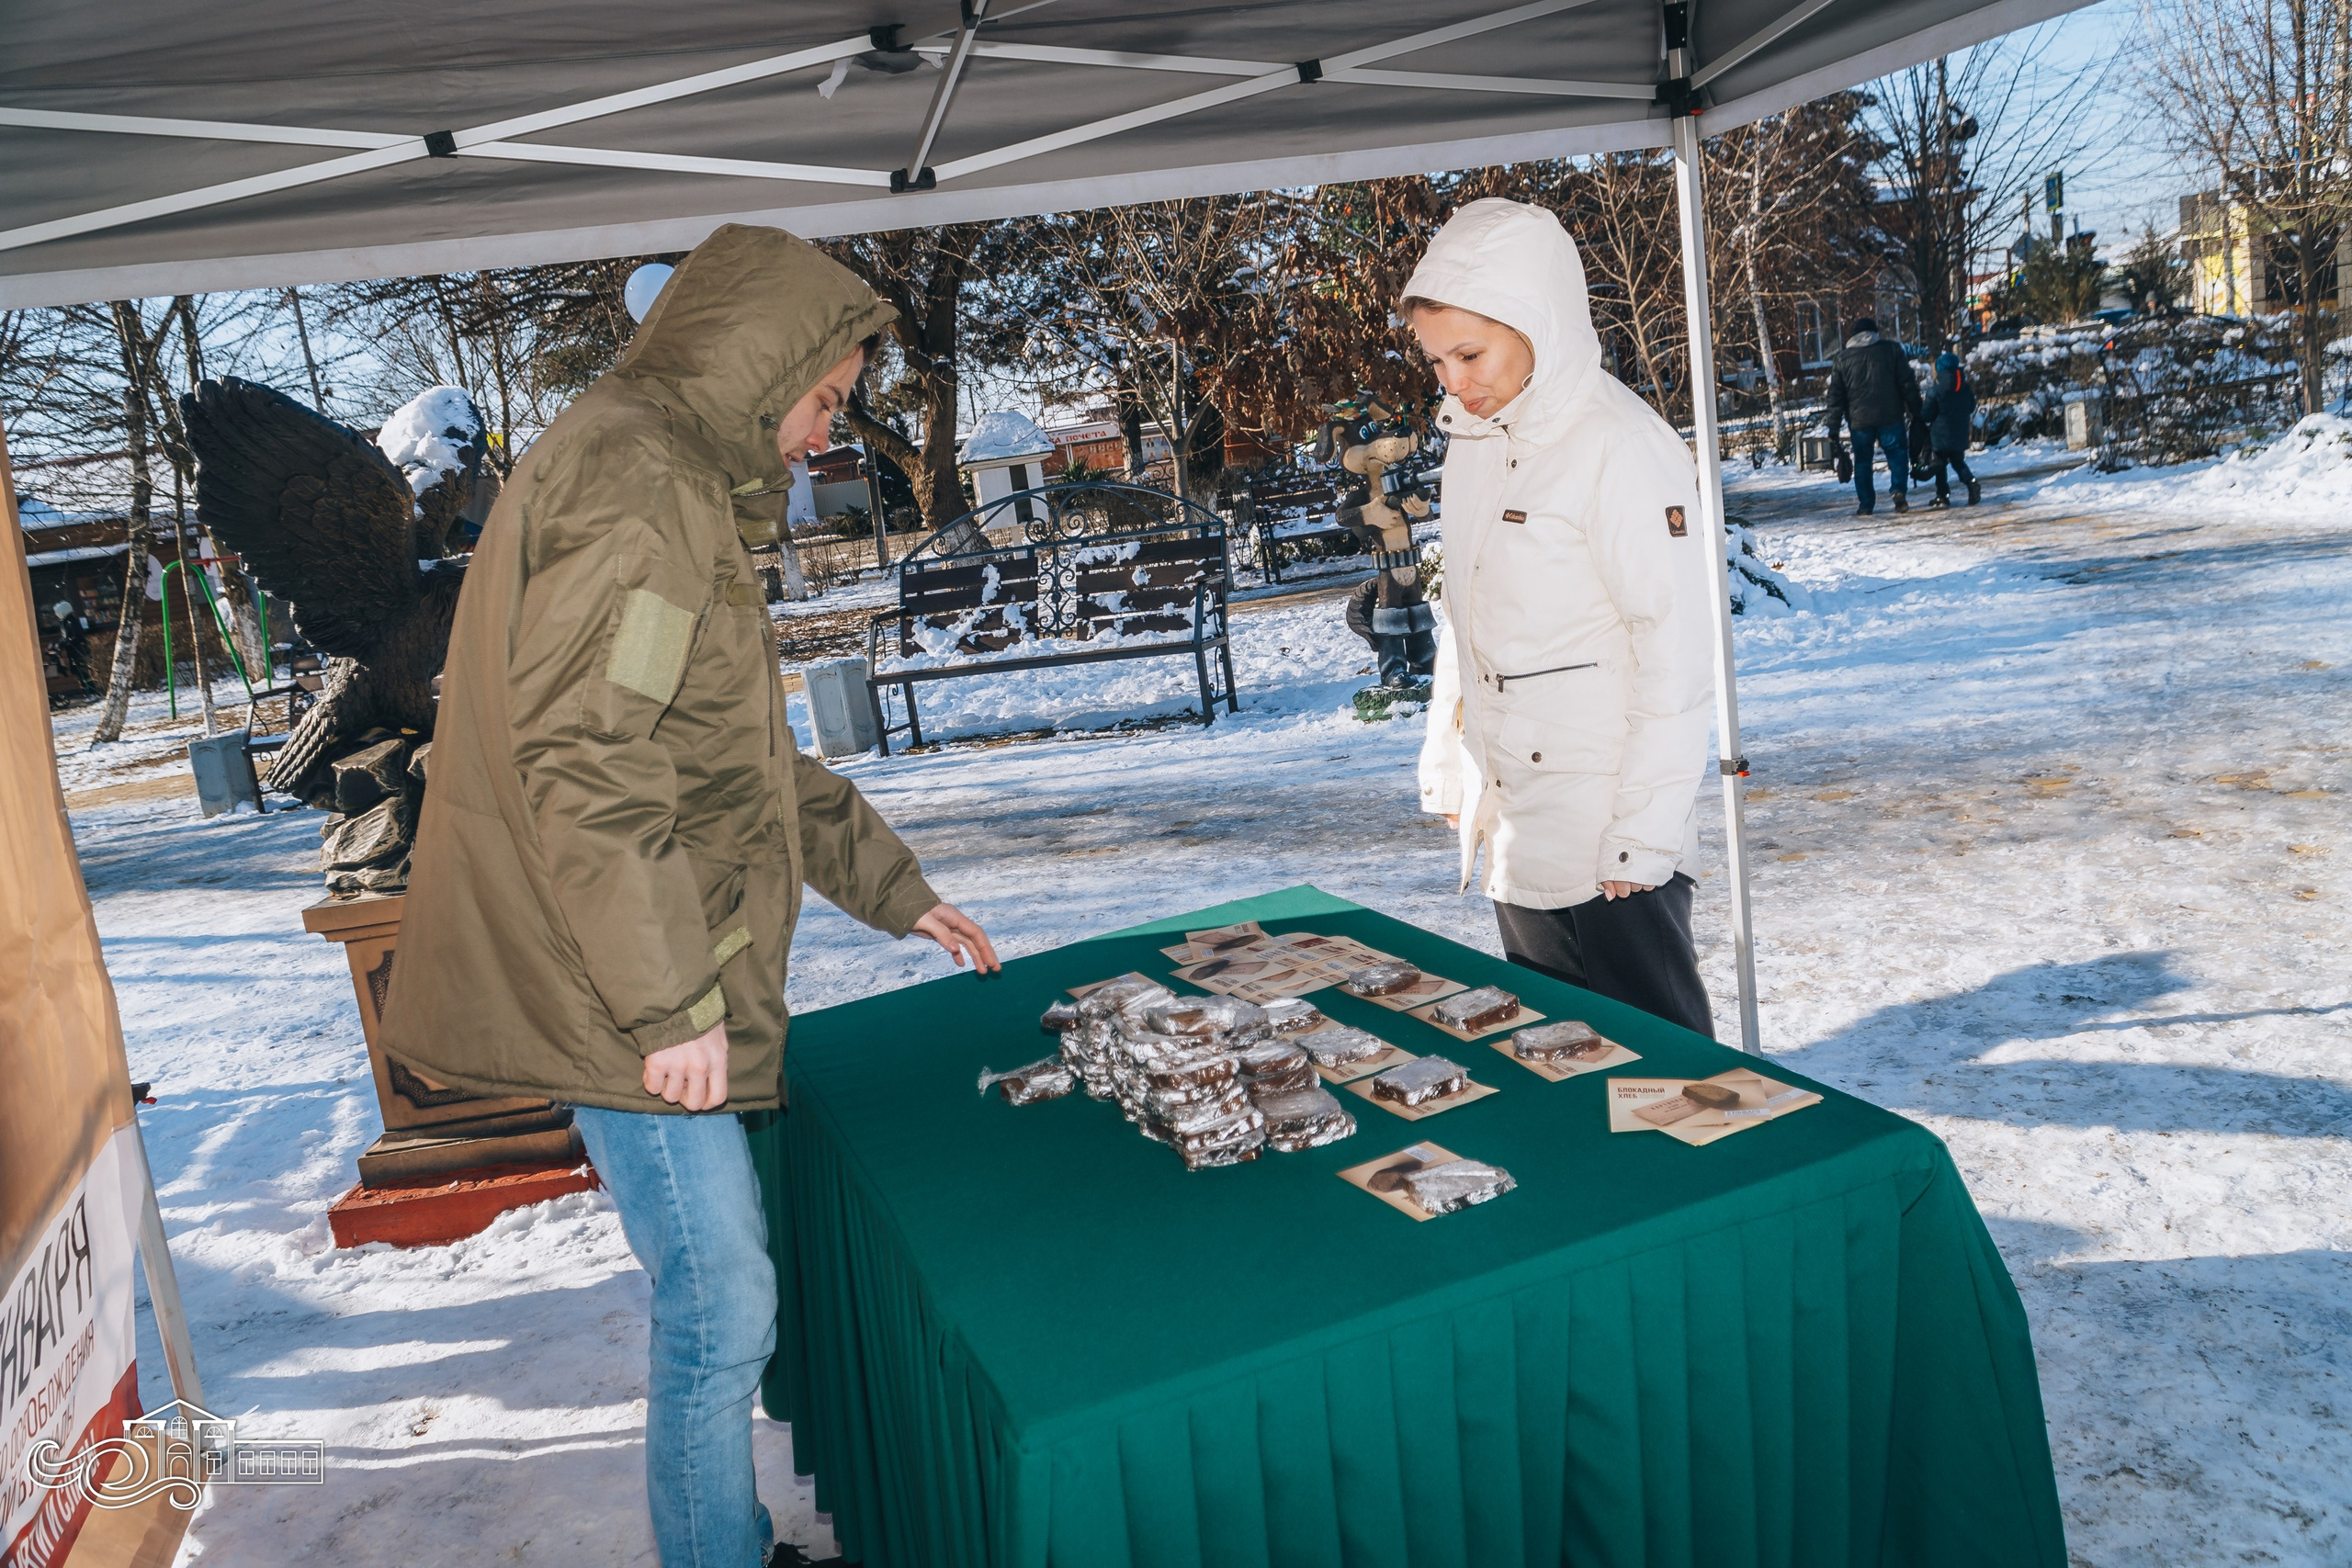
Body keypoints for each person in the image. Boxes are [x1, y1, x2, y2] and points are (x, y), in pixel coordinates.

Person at [380, 224, 1001, 1568]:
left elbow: (740, 761)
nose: (825, 431)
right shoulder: (643, 484)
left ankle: (726, 1530)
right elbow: (589, 759)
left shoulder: (659, 473)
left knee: (720, 1294)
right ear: (757, 358)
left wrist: (896, 891)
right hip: (613, 980)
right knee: (720, 1302)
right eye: (827, 396)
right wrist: (670, 1000)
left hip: (617, 956)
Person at [1402, 198, 1716, 1038]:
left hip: (1610, 825)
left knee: (1666, 1069)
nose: (1453, 383)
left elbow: (1677, 648)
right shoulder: (1471, 442)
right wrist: (1449, 766)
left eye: (1469, 353)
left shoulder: (1619, 444)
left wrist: (1644, 836)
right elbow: (1461, 616)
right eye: (1436, 361)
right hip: (1518, 819)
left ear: (1537, 320)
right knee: (1561, 1055)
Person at [1823, 317, 1922, 514]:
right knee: (1897, 454)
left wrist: (1833, 424)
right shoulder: (1892, 350)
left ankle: (1866, 504)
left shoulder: (1842, 359)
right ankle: (1898, 490)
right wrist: (1916, 410)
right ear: (1875, 332)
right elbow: (1907, 383)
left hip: (1859, 420)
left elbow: (1836, 395)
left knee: (1862, 462)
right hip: (1891, 416)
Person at [1921, 350, 1981, 508]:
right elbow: (1971, 407)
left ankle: (1943, 496)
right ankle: (1971, 482)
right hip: (1960, 434)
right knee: (1958, 462)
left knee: (1940, 465)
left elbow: (1926, 414)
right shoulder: (1965, 388)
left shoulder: (1935, 391)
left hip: (1940, 436)